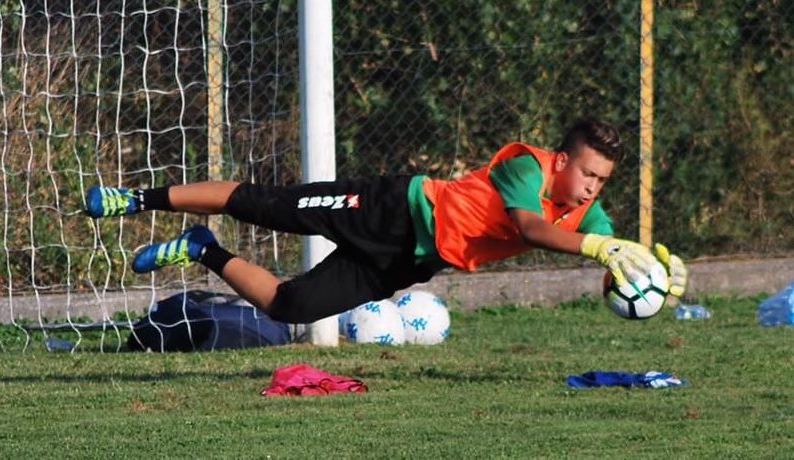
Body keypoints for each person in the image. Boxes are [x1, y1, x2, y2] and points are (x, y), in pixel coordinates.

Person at [84, 119, 687, 323]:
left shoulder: (588, 212)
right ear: (562, 159)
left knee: (291, 308)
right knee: (263, 204)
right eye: (587, 174)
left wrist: (653, 275)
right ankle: (138, 200)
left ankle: (201, 249)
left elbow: (608, 256)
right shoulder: (525, 165)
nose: (591, 187)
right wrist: (599, 248)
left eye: (601, 181)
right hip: (391, 208)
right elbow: (532, 230)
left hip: (411, 260)